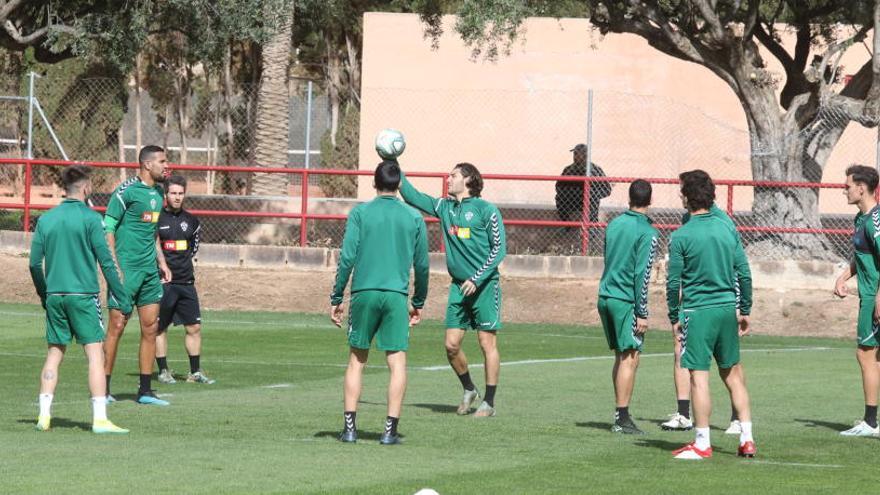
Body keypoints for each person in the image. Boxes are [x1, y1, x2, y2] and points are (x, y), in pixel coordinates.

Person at [331, 160, 429, 445]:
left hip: (364, 293)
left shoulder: (360, 213)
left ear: (374, 184)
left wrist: (337, 297)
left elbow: (347, 257)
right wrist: (418, 300)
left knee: (356, 361)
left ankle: (350, 429)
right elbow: (422, 265)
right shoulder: (413, 217)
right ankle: (389, 431)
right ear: (399, 185)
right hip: (396, 296)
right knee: (397, 363)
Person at [29, 165, 133, 434]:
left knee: (54, 354)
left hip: (55, 296)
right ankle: (100, 420)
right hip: (84, 297)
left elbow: (33, 265)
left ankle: (44, 415)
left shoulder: (46, 220)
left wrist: (44, 294)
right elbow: (107, 262)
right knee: (95, 355)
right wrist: (122, 297)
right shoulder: (91, 219)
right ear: (86, 188)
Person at [399, 162, 507, 417]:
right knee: (451, 345)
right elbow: (413, 196)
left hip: (484, 286)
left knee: (486, 343)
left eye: (453, 175)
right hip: (459, 287)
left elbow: (499, 249)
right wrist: (393, 164)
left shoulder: (486, 210)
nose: (448, 179)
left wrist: (477, 278)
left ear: (468, 180)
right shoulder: (444, 207)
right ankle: (469, 388)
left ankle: (489, 402)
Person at [667, 170, 755, 460]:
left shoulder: (681, 235)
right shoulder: (727, 228)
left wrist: (673, 315)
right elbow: (743, 271)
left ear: (687, 198)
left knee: (698, 377)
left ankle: (702, 442)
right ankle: (747, 438)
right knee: (733, 375)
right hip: (726, 310)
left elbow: (673, 282)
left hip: (698, 311)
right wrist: (744, 309)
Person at [103, 145, 172, 406]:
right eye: (163, 161)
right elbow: (108, 227)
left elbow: (152, 233)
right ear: (147, 164)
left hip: (148, 272)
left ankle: (145, 391)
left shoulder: (158, 192)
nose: (167, 166)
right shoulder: (126, 191)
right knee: (117, 327)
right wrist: (114, 267)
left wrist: (162, 262)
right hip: (126, 271)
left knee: (151, 328)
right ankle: (103, 389)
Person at [597, 179, 659, 435]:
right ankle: (622, 417)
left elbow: (608, 257)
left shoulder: (614, 224)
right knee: (630, 357)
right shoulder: (648, 232)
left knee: (621, 356)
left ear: (629, 198)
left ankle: (620, 413)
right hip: (625, 301)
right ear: (650, 201)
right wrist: (642, 312)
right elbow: (641, 274)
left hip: (606, 295)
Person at [833, 164, 880, 437]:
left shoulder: (875, 221)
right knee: (871, 356)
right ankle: (871, 420)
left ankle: (871, 422)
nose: (844, 190)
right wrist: (844, 276)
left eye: (848, 186)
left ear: (862, 188)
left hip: (873, 298)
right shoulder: (860, 219)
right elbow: (864, 255)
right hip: (868, 295)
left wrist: (877, 297)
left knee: (865, 353)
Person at [155, 175, 214, 385]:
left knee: (194, 328)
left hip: (187, 283)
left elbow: (193, 248)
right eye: (173, 193)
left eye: (181, 193)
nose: (177, 197)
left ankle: (195, 372)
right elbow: (152, 247)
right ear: (166, 194)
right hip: (163, 284)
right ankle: (163, 371)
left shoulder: (192, 221)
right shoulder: (156, 219)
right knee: (159, 328)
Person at [555, 144, 612, 243]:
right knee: (559, 197)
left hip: (588, 201)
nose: (575, 156)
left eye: (578, 154)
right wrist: (568, 192)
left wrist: (595, 193)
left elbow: (607, 190)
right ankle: (567, 224)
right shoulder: (568, 170)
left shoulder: (595, 169)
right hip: (572, 201)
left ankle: (592, 227)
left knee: (592, 196)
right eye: (575, 154)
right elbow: (558, 187)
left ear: (586, 155)